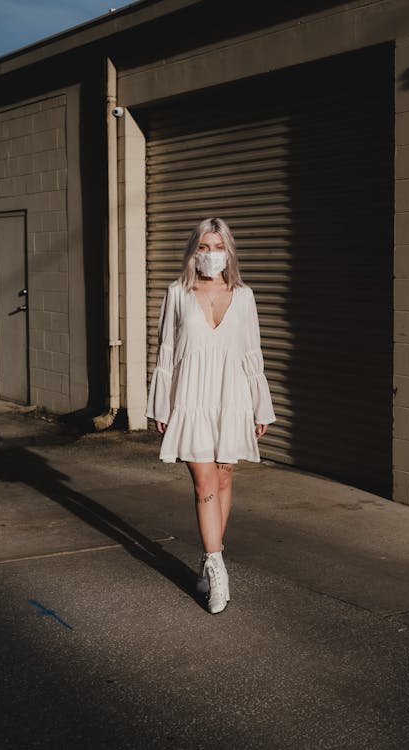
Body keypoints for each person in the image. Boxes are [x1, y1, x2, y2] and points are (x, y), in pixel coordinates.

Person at [146, 217, 276, 614]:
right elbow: (166, 350)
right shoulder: (176, 293)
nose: (210, 254)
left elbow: (252, 352)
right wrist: (161, 405)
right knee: (203, 478)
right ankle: (217, 568)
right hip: (192, 398)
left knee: (223, 476)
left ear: (229, 251)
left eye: (217, 247)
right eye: (203, 247)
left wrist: (261, 404)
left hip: (232, 396)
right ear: (193, 251)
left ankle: (209, 553)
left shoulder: (245, 295)